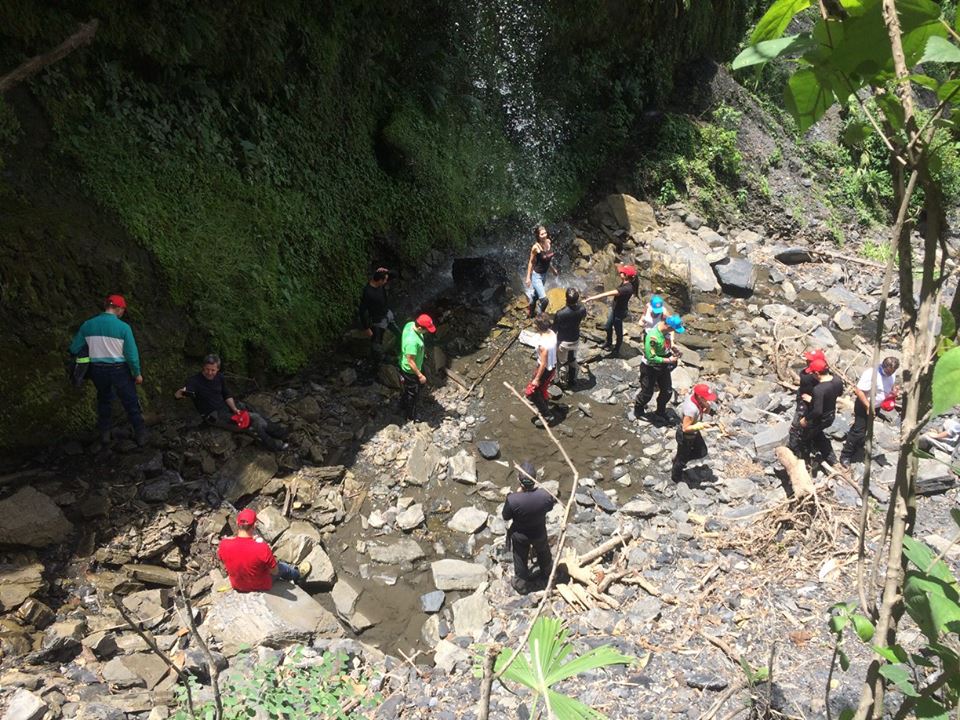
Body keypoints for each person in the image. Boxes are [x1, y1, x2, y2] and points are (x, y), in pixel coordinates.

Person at [69, 294, 148, 446]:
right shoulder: (124, 328)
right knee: (131, 401)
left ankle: (105, 435)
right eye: (123, 309)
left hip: (97, 370)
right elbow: (132, 355)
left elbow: (74, 348)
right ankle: (141, 435)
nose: (123, 312)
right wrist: (137, 373)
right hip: (119, 370)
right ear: (118, 309)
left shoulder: (88, 325)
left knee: (104, 400)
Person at [175, 354, 288, 451]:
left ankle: (282, 433)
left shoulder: (219, 377)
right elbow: (184, 392)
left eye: (212, 370)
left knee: (249, 409)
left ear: (217, 369)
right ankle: (275, 445)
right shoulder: (194, 381)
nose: (209, 372)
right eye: (207, 369)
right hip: (213, 415)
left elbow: (226, 394)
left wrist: (234, 408)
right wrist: (180, 393)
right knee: (251, 420)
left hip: (225, 407)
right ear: (203, 368)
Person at [217, 509, 311, 592]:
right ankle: (298, 575)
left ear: (238, 524)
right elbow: (275, 571)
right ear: (254, 526)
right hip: (260, 584)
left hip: (237, 585)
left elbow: (224, 562)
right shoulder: (261, 547)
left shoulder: (224, 544)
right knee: (283, 567)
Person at [502, 461, 557, 593]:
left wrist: (517, 493)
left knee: (520, 557)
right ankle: (548, 574)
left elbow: (506, 516)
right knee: (543, 552)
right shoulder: (545, 496)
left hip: (520, 535)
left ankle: (521, 584)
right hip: (539, 532)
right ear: (535, 479)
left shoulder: (513, 499)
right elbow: (549, 507)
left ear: (519, 480)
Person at [840, 356, 900, 467]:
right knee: (858, 431)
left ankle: (858, 444)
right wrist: (868, 406)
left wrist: (893, 392)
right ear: (883, 366)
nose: (890, 374)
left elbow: (889, 386)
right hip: (864, 405)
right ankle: (845, 455)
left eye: (892, 372)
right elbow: (859, 391)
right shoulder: (871, 374)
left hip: (876, 407)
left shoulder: (892, 374)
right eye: (888, 371)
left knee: (866, 427)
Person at [787, 357, 843, 466]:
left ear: (817, 373)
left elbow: (817, 411)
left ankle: (803, 460)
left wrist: (805, 419)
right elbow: (839, 393)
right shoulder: (837, 380)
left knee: (802, 435)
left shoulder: (819, 389)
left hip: (819, 418)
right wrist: (815, 400)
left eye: (812, 373)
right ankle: (831, 459)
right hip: (830, 415)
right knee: (817, 433)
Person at [635, 314, 684, 422]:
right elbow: (650, 357)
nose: (674, 332)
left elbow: (667, 344)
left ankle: (660, 411)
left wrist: (674, 349)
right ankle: (638, 410)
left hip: (663, 366)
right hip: (650, 367)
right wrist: (669, 360)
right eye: (674, 329)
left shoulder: (666, 332)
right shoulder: (653, 337)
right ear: (668, 326)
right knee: (647, 393)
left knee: (667, 391)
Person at [584, 265, 639, 356]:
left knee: (618, 331)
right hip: (615, 310)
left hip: (619, 312)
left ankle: (617, 349)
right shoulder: (625, 282)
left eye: (622, 272)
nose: (620, 273)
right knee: (608, 326)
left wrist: (590, 298)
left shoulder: (627, 288)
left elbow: (607, 293)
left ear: (626, 276)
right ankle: (609, 342)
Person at [358, 267, 401, 372]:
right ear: (380, 281)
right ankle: (377, 364)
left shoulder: (380, 281)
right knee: (376, 343)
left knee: (398, 332)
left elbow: (395, 274)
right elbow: (362, 311)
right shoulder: (368, 292)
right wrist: (366, 328)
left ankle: (399, 348)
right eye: (385, 280)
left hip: (387, 314)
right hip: (378, 320)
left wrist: (385, 270)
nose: (387, 281)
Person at [672, 384, 716, 483]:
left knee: (702, 451)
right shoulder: (691, 409)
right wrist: (701, 426)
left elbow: (705, 411)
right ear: (700, 397)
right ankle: (676, 477)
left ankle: (678, 459)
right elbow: (685, 428)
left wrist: (706, 405)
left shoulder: (695, 398)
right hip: (686, 436)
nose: (709, 400)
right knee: (682, 460)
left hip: (694, 432)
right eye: (706, 398)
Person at [399, 314, 436, 421]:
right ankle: (411, 416)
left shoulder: (409, 324)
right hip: (410, 371)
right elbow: (410, 360)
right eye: (426, 330)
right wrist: (419, 375)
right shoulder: (412, 342)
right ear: (420, 328)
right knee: (413, 394)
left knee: (408, 388)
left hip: (410, 364)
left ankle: (402, 404)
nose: (427, 332)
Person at [525, 314, 558, 422]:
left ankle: (547, 414)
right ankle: (545, 401)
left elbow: (543, 364)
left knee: (532, 391)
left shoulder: (543, 344)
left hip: (545, 368)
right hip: (552, 366)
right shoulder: (552, 333)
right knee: (543, 387)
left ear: (538, 327)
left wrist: (537, 379)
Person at [552, 288, 587, 388]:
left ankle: (563, 384)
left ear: (566, 299)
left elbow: (554, 329)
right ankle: (573, 380)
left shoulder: (560, 313)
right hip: (575, 339)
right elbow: (583, 317)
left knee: (562, 362)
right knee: (572, 359)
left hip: (563, 341)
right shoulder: (582, 309)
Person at [524, 225, 559, 317]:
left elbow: (547, 259)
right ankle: (539, 317)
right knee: (544, 300)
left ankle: (531, 311)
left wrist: (552, 269)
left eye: (545, 233)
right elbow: (531, 262)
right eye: (542, 234)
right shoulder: (536, 247)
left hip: (544, 275)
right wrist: (528, 277)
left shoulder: (548, 242)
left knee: (535, 296)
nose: (544, 235)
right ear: (538, 235)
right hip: (537, 276)